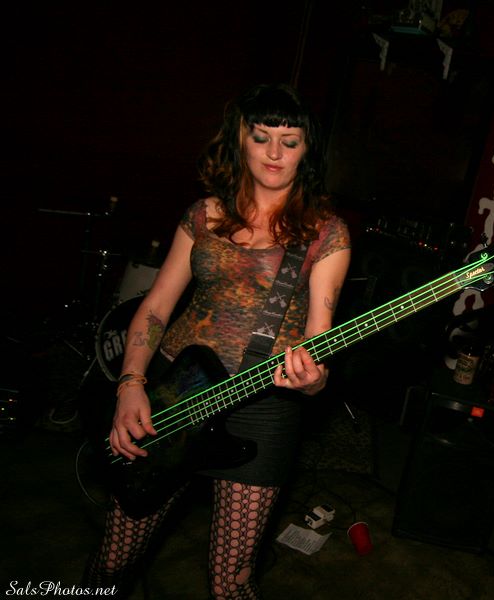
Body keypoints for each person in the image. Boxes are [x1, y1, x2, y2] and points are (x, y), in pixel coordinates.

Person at [83, 83, 351, 598]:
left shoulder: (326, 232)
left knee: (230, 584)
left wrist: (314, 382)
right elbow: (156, 307)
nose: (274, 152)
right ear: (240, 140)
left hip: (263, 405)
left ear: (306, 150)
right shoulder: (203, 215)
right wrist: (131, 384)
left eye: (290, 141)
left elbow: (319, 340)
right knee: (115, 558)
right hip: (173, 388)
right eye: (262, 137)